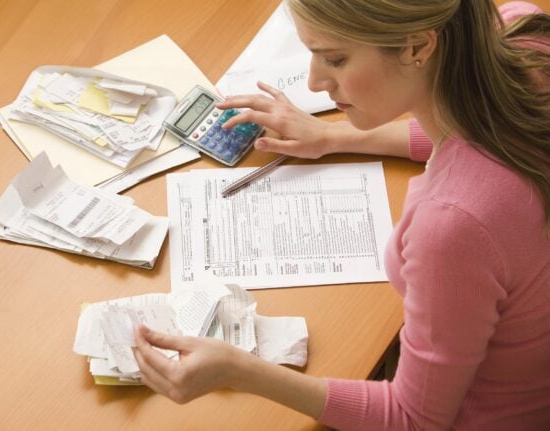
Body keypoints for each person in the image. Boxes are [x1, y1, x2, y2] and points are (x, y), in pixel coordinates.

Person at [133, 1, 550, 429]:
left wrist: (240, 371)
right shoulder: (524, 35)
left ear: (416, 47)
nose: (314, 82)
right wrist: (331, 135)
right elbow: (472, 126)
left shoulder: (453, 226)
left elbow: (414, 419)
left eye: (335, 58)